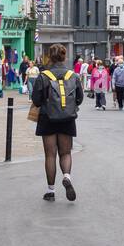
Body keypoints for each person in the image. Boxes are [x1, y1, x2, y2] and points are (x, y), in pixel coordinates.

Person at [30, 45, 83, 201]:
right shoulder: (73, 76)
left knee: (50, 155)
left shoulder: (43, 76)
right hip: (67, 118)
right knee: (66, 153)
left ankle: (51, 191)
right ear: (64, 56)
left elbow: (36, 101)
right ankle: (66, 176)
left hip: (47, 118)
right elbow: (79, 98)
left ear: (49, 57)